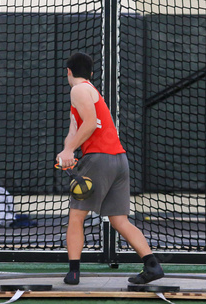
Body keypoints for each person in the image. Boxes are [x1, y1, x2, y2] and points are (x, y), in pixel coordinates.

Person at [56, 52, 164, 285]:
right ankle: (152, 264)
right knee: (119, 220)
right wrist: (69, 151)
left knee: (76, 217)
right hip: (119, 160)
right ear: (92, 73)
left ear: (68, 72)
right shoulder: (89, 91)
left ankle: (74, 273)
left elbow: (89, 123)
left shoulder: (78, 90)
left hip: (99, 160)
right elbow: (75, 130)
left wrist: (69, 150)